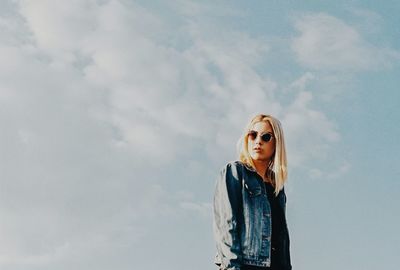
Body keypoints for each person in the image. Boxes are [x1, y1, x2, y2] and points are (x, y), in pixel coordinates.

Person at [213, 114, 292, 270]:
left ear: (276, 143)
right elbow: (227, 227)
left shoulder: (278, 187)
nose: (258, 141)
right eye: (253, 135)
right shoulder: (235, 172)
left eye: (266, 137)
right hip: (245, 265)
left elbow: (282, 238)